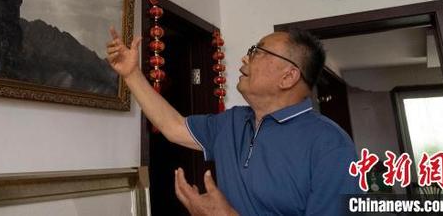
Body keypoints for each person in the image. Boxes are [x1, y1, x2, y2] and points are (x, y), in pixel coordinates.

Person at [106, 27, 360, 216]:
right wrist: (131, 74)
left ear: (288, 77)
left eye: (258, 52)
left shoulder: (331, 145)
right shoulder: (232, 122)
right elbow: (173, 127)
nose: (245, 59)